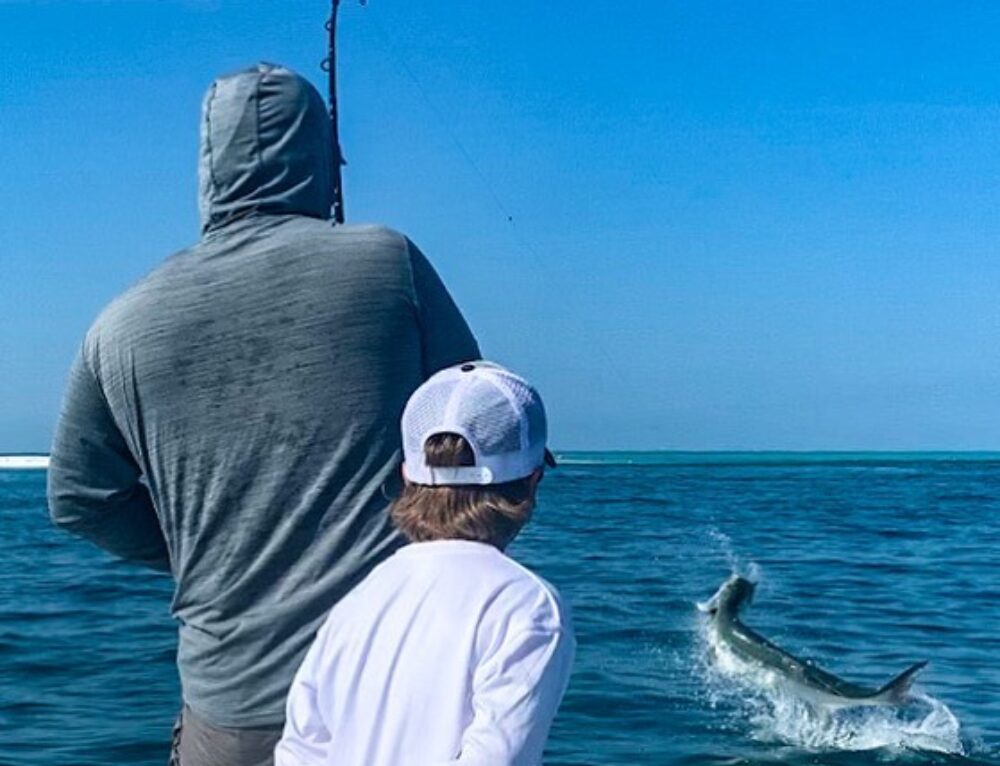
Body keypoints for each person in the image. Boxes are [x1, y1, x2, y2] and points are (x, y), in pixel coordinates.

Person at [46, 63, 480, 765]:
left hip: (229, 708)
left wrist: (195, 554)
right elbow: (475, 426)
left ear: (206, 172)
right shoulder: (386, 262)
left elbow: (77, 501)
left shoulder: (117, 325)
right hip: (395, 693)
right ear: (321, 162)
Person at [274, 361, 575, 766]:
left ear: (407, 476)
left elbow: (301, 750)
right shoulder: (528, 606)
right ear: (533, 480)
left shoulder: (359, 598)